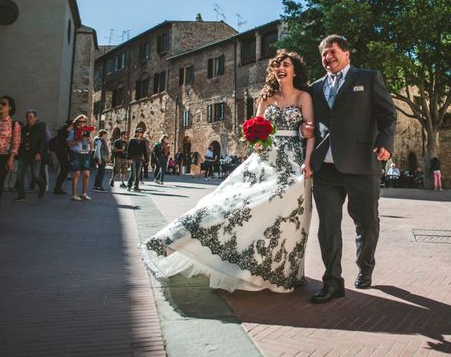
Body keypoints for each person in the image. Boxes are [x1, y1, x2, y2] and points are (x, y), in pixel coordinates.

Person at [142, 50, 314, 293]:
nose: (280, 68)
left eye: (285, 64)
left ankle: (275, 270)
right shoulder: (265, 98)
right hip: (265, 159)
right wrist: (257, 141)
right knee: (232, 203)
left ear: (295, 70)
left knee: (286, 212)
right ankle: (177, 240)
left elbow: (310, 133)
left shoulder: (303, 97)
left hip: (294, 162)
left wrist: (307, 162)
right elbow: (255, 132)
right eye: (276, 65)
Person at [302, 34, 396, 304]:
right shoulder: (315, 89)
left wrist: (385, 142)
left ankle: (365, 265)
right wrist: (303, 129)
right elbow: (310, 123)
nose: (327, 57)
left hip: (362, 164)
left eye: (332, 52)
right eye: (323, 54)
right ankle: (333, 282)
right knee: (328, 227)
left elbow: (387, 115)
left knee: (366, 223)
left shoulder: (367, 78)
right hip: (326, 169)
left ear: (346, 54)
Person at [14, 110, 48, 202]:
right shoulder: (24, 129)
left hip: (34, 155)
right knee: (20, 176)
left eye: (31, 117)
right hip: (24, 155)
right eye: (27, 117)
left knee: (36, 176)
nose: (29, 119)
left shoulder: (39, 129)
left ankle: (42, 187)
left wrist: (39, 153)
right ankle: (21, 196)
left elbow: (42, 142)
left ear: (35, 118)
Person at [66, 114, 93, 202]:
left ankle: (84, 194)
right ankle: (74, 194)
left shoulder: (88, 132)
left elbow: (92, 144)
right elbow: (69, 144)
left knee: (86, 175)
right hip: (76, 153)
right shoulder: (73, 131)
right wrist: (79, 140)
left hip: (85, 154)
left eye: (84, 122)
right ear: (77, 122)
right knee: (77, 174)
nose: (82, 123)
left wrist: (90, 144)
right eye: (80, 121)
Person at [52, 120, 72, 195]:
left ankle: (58, 187)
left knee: (64, 169)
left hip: (61, 152)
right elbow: (65, 143)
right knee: (65, 169)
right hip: (62, 153)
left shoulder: (62, 131)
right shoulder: (65, 133)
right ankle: (57, 188)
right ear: (70, 126)